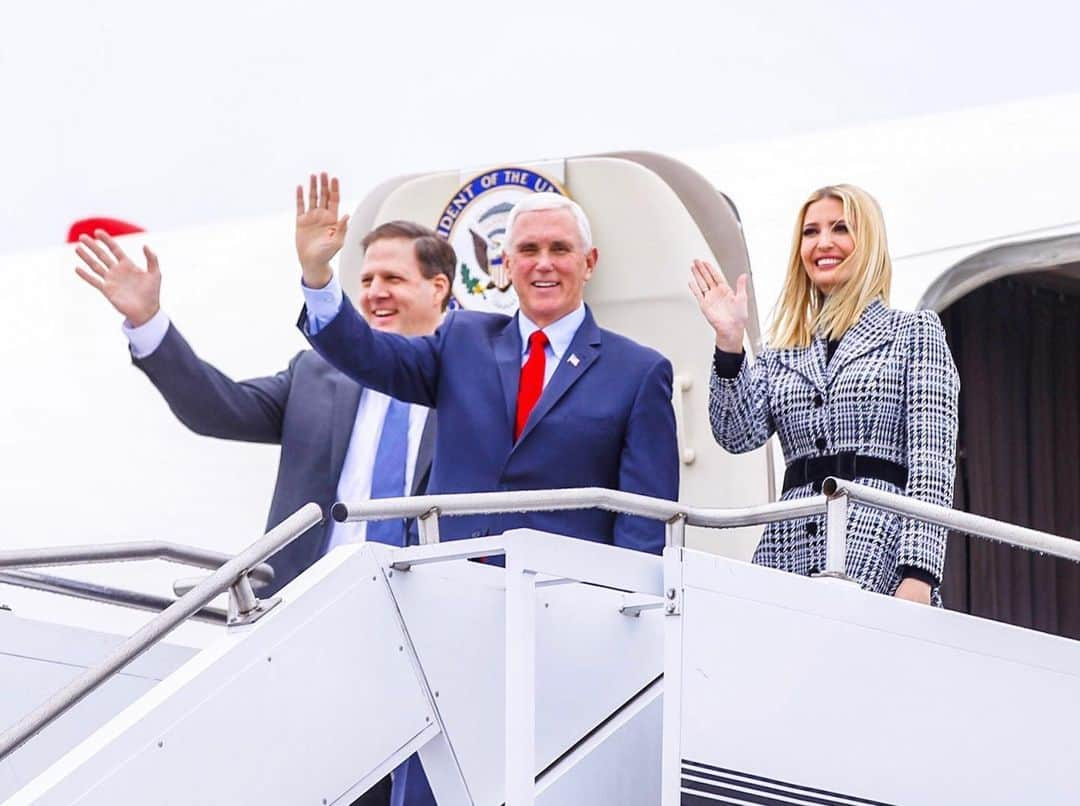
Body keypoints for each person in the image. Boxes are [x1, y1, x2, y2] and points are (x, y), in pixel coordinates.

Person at [75, 182, 455, 806]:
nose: (375, 293)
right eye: (365, 280)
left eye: (394, 278)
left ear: (439, 288)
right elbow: (215, 408)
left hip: (427, 619)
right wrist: (148, 323)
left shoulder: (472, 377)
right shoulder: (316, 373)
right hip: (314, 614)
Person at [297, 181, 680, 559]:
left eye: (559, 249)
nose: (543, 263)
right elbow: (369, 354)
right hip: (451, 585)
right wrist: (318, 276)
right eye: (528, 250)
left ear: (589, 262)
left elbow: (644, 525)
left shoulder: (637, 373)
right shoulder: (461, 339)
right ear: (508, 264)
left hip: (563, 599)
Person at [689, 184, 959, 606]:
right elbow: (735, 432)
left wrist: (918, 574)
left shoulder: (914, 333)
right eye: (811, 232)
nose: (823, 243)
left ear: (867, 243)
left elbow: (932, 467)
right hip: (788, 543)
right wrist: (729, 342)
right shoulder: (783, 348)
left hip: (878, 542)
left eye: (840, 228)